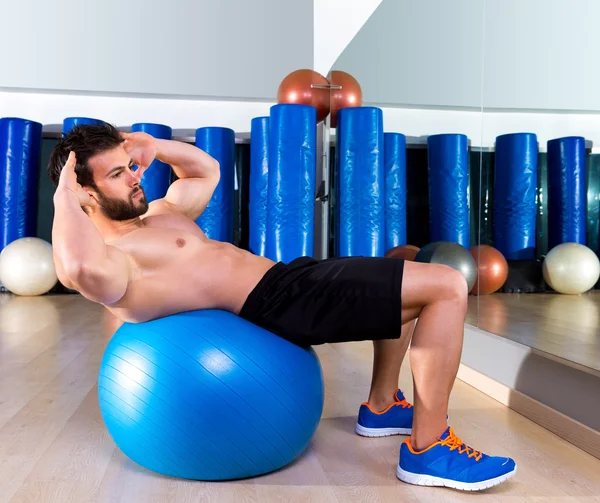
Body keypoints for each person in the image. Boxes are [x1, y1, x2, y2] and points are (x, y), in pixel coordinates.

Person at [48, 123, 516, 491]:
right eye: (118, 174)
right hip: (279, 303)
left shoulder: (158, 215)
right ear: (84, 193)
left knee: (401, 261)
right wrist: (63, 197)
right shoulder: (115, 262)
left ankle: (380, 406)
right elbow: (76, 269)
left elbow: (205, 170)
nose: (135, 177)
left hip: (289, 279)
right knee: (448, 286)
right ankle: (429, 449)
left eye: (130, 166)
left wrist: (153, 146)